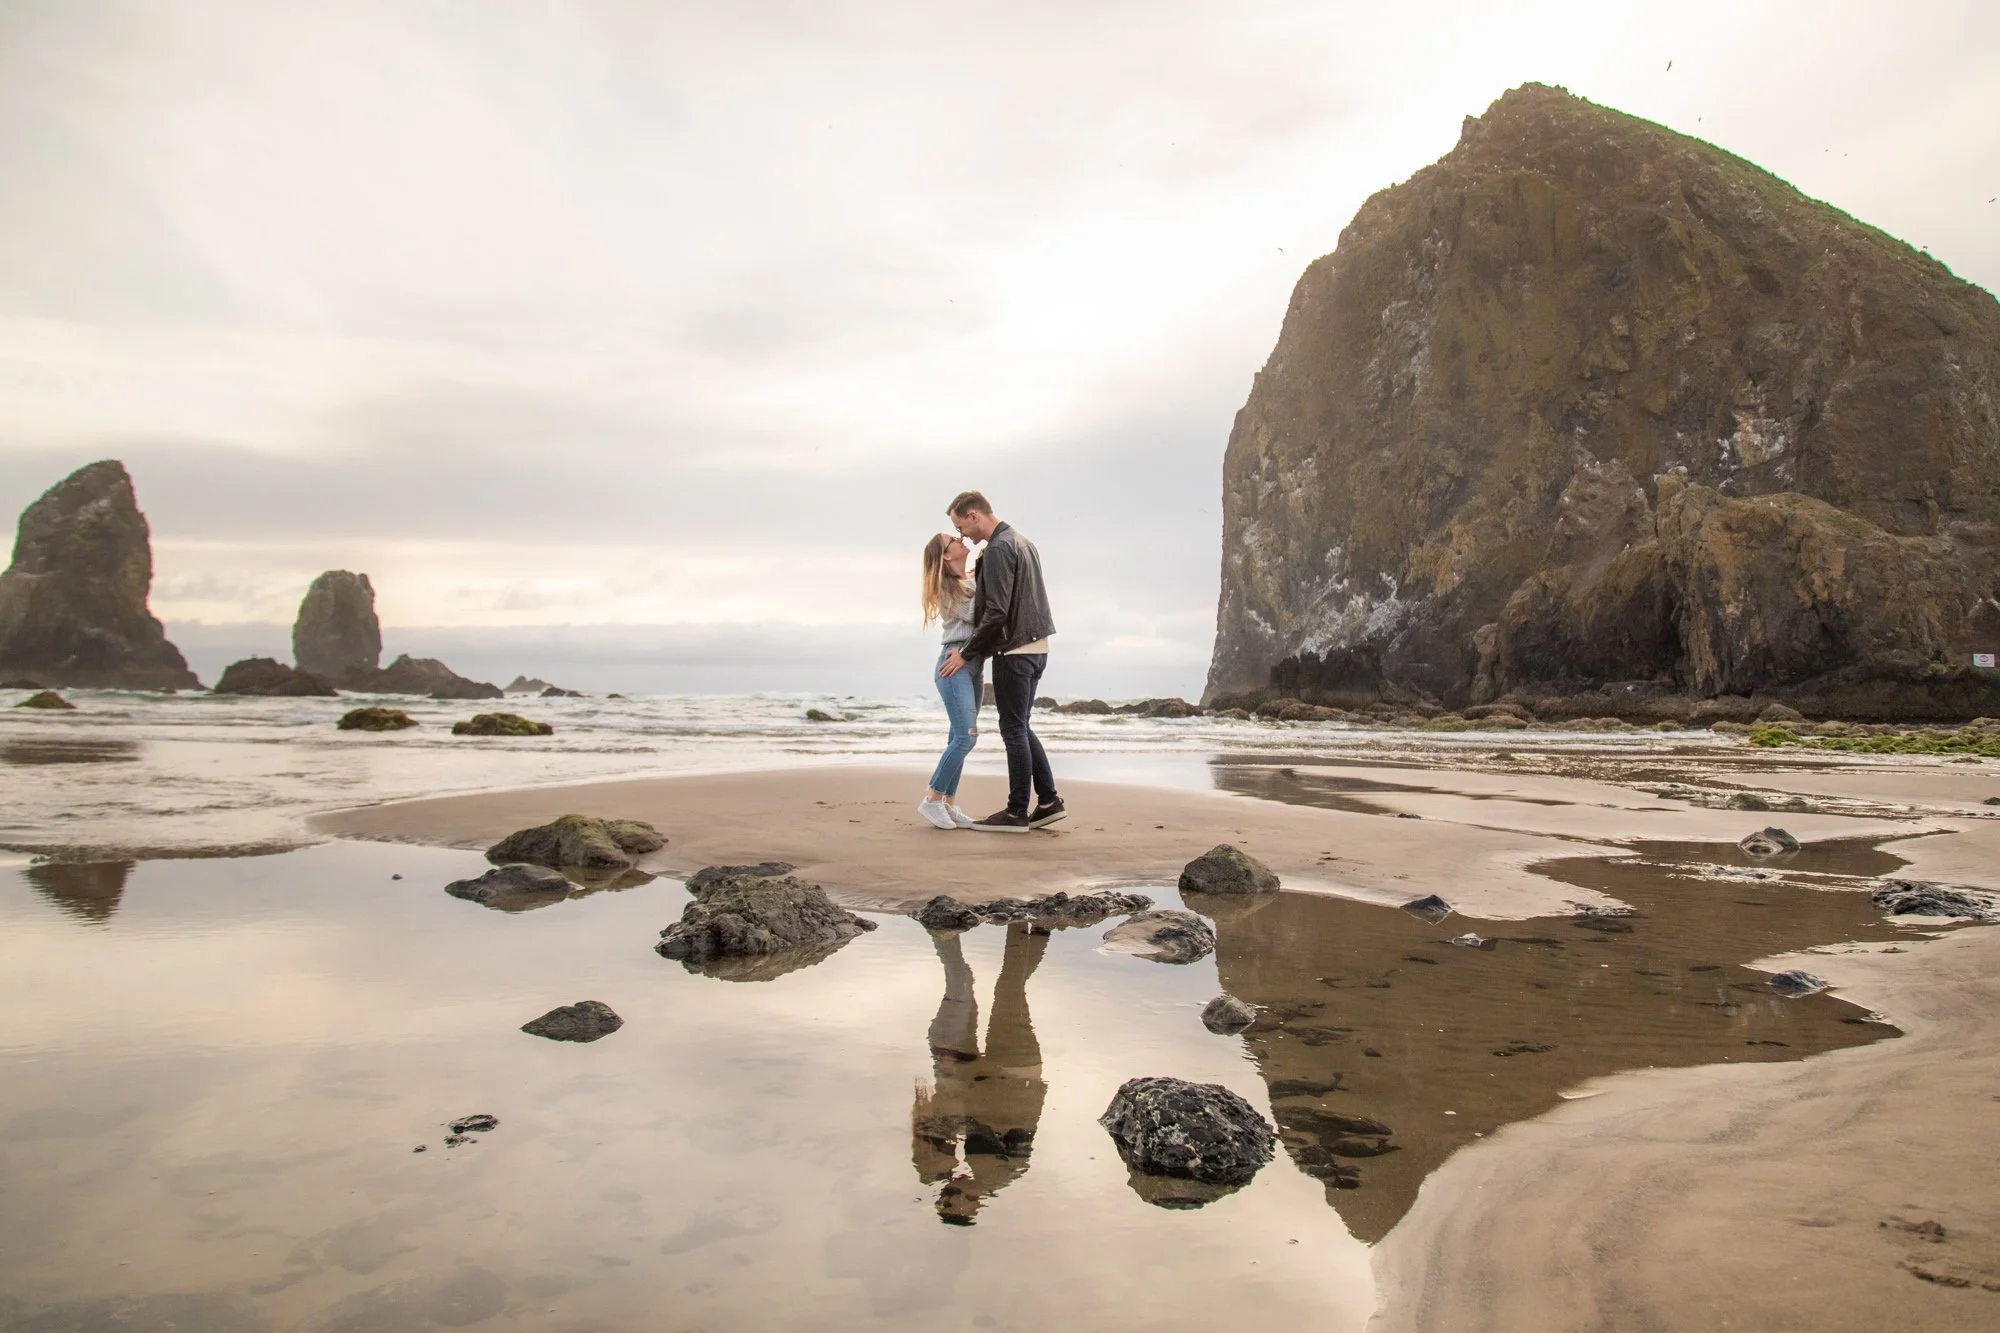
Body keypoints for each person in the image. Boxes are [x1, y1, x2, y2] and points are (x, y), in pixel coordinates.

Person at [939, 491, 1062, 831]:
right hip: (1038, 648)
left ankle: (1016, 811)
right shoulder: (1021, 541)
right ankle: (1049, 801)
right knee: (1021, 724)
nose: (961, 533)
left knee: (1012, 730)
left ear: (975, 514)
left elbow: (996, 613)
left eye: (960, 524)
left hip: (1014, 651)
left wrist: (966, 653)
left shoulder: (997, 549)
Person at [917, 532, 979, 830]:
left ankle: (949, 804)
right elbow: (975, 613)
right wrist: (986, 580)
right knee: (966, 737)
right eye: (952, 539)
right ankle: (932, 799)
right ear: (945, 555)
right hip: (953, 665)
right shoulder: (946, 586)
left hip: (970, 664)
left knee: (959, 737)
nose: (960, 539)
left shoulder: (967, 580)